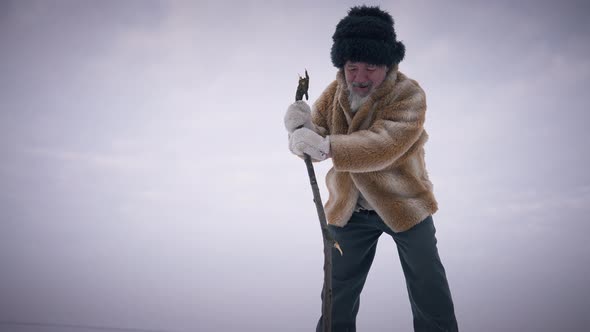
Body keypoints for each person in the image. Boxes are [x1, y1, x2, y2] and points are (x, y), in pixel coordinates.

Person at [284, 5, 459, 332]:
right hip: (349, 208)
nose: (360, 77)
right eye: (352, 67)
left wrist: (329, 146)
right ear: (342, 64)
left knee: (429, 287)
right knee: (337, 292)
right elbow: (318, 137)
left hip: (406, 205)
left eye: (371, 67)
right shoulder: (334, 94)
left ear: (388, 64)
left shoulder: (409, 94)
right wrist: (301, 132)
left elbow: (385, 144)